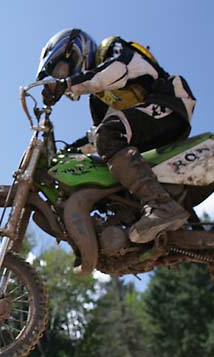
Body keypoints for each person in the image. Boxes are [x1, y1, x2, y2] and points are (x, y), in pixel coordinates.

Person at [36, 28, 197, 244]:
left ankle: (160, 205)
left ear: (76, 51)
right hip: (147, 129)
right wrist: (71, 150)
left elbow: (116, 70)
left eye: (63, 69)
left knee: (109, 134)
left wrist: (69, 84)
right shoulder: (98, 99)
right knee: (108, 154)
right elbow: (98, 138)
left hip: (169, 102)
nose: (63, 76)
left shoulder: (111, 50)